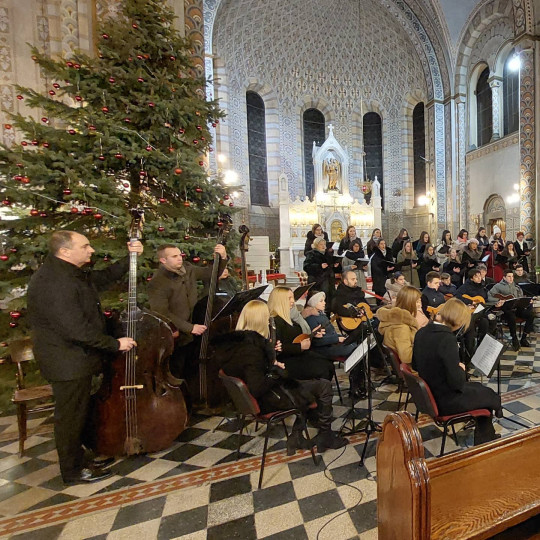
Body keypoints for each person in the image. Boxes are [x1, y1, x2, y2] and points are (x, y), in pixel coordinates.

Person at [27, 231, 142, 484]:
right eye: (85, 246)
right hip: (66, 361)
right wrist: (114, 344)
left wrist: (129, 257)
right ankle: (72, 471)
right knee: (69, 418)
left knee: (79, 413)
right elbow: (75, 329)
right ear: (65, 251)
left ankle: (80, 459)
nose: (91, 250)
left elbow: (101, 278)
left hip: (75, 359)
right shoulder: (54, 282)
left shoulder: (70, 273)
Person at [213, 300, 347, 454]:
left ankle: (298, 435)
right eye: (267, 318)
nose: (270, 322)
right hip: (268, 399)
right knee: (323, 386)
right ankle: (326, 436)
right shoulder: (250, 352)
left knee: (314, 381)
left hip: (265, 393)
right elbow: (257, 387)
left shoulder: (239, 343)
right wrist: (275, 369)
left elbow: (255, 370)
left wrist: (270, 356)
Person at [412, 299, 502, 446]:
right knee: (488, 395)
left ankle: (486, 436)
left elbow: (415, 365)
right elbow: (457, 383)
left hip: (428, 395)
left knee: (481, 390)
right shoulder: (447, 339)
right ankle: (487, 436)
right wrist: (460, 368)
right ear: (459, 321)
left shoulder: (422, 332)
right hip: (444, 400)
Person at [147, 243, 227, 377]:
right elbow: (161, 313)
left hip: (195, 331)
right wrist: (189, 327)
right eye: (174, 256)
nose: (180, 258)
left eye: (180, 255)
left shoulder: (188, 269)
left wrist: (223, 257)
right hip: (177, 338)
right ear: (163, 260)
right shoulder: (158, 283)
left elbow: (210, 274)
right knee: (179, 371)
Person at [268, 286, 334, 381]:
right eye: (289, 298)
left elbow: (296, 337)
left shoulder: (289, 318)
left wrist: (312, 335)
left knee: (328, 364)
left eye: (292, 298)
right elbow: (277, 348)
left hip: (298, 355)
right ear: (280, 301)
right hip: (286, 360)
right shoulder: (275, 321)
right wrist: (299, 347)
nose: (293, 301)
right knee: (322, 369)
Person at [488, 268, 535, 350]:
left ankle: (523, 338)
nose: (511, 278)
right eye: (509, 276)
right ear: (504, 277)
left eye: (512, 276)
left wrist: (526, 301)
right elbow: (489, 296)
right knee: (511, 317)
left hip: (516, 308)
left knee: (530, 315)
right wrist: (499, 300)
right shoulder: (498, 286)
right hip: (505, 310)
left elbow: (520, 297)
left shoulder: (516, 286)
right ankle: (514, 338)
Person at [376, 286, 420, 364]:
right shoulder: (401, 328)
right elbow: (407, 357)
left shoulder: (397, 321)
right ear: (408, 303)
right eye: (417, 302)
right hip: (413, 369)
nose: (420, 305)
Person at [303, 236, 338, 312]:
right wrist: (319, 266)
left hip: (329, 282)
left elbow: (331, 267)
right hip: (318, 283)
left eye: (324, 244)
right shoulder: (311, 254)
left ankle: (327, 317)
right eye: (321, 244)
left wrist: (335, 266)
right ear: (316, 245)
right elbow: (306, 267)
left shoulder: (328, 255)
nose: (323, 246)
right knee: (317, 303)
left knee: (328, 303)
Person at [370, 239, 395, 303]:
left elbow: (391, 262)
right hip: (379, 279)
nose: (383, 245)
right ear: (378, 245)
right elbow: (374, 267)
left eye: (384, 243)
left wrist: (392, 267)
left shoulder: (389, 253)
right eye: (381, 244)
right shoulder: (375, 255)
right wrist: (385, 269)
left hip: (388, 277)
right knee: (380, 298)